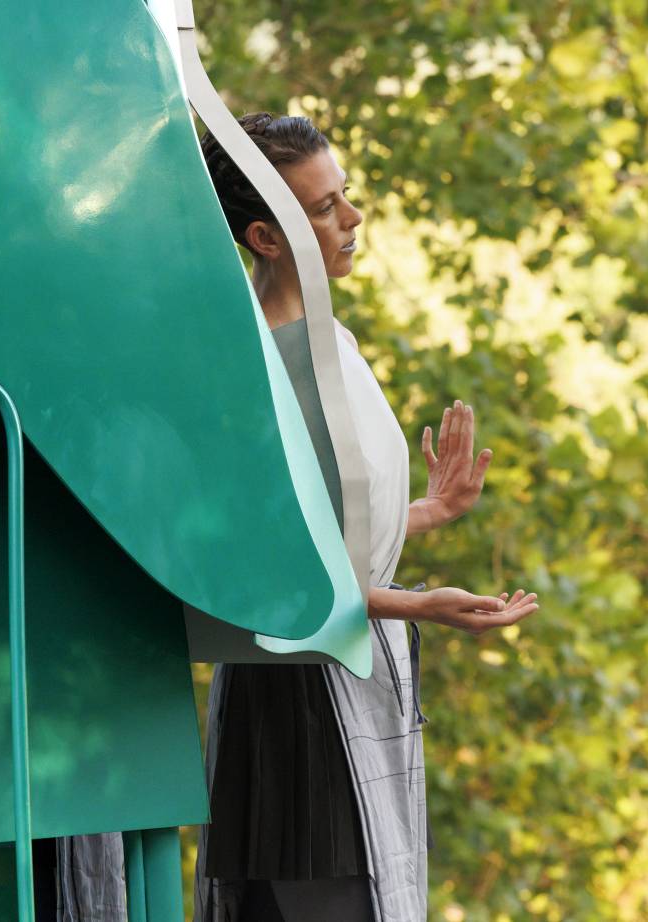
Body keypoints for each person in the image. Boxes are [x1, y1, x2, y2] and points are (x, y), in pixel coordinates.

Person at [192, 112, 539, 922]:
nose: (351, 220)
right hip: (297, 704)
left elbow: (325, 530)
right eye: (323, 207)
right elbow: (287, 576)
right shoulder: (268, 362)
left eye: (345, 197)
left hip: (349, 673)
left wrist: (424, 512)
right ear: (264, 238)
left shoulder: (325, 335)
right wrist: (421, 604)